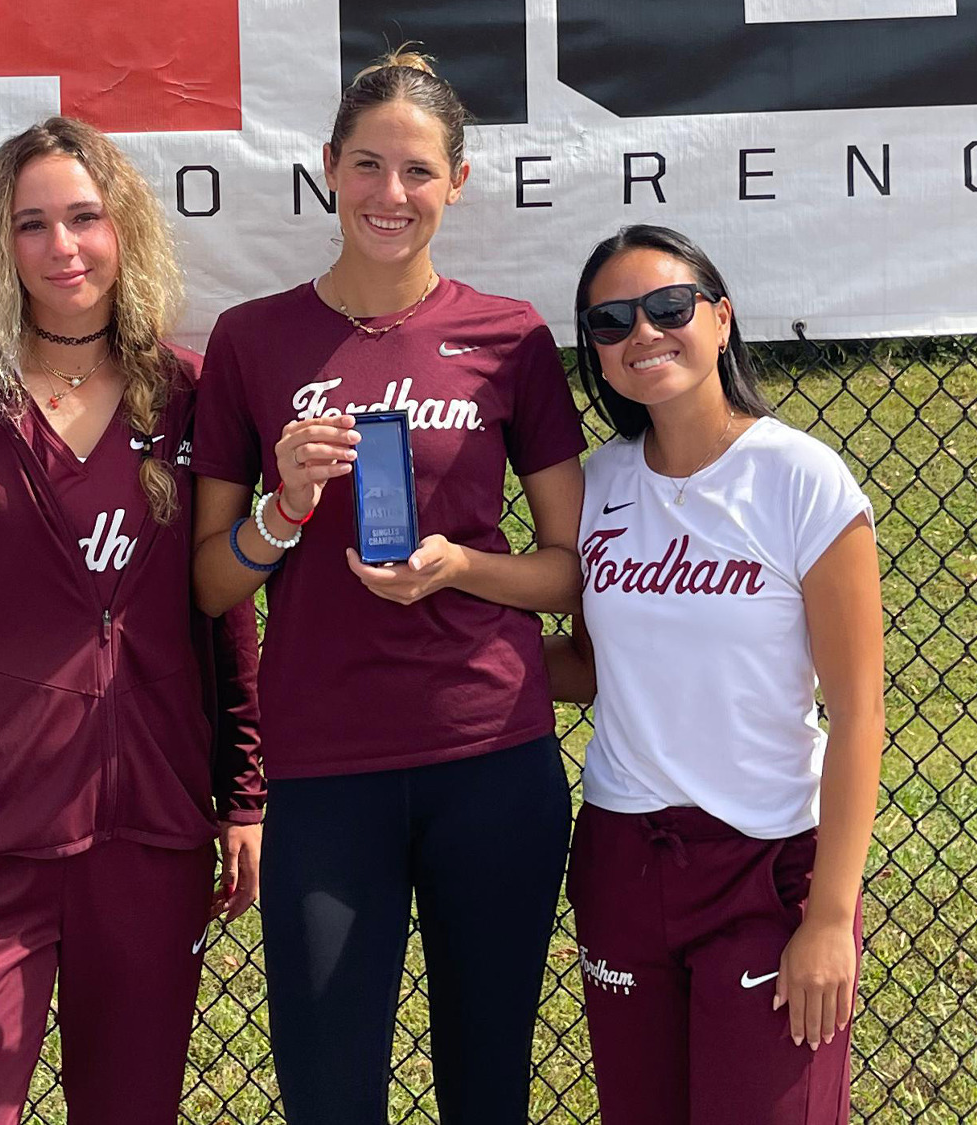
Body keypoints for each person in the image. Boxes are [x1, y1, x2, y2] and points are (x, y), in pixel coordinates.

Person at [0, 116, 264, 1125]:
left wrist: (242, 792)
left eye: (84, 217)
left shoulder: (187, 395)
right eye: (33, 225)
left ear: (125, 231)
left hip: (146, 835)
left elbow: (222, 612)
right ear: (0, 242)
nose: (63, 247)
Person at [187, 50, 587, 1125]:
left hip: (490, 759)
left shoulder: (509, 341)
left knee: (486, 1083)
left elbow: (564, 568)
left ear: (456, 182)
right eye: (367, 166)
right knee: (326, 1092)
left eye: (416, 172)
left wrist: (458, 567)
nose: (389, 195)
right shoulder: (251, 341)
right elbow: (212, 580)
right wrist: (283, 510)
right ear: (326, 169)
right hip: (325, 772)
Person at [547, 224, 885, 1125]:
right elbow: (587, 664)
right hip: (626, 855)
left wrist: (828, 916)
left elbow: (858, 715)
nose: (644, 333)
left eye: (668, 307)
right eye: (612, 322)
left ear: (722, 318)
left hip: (767, 863)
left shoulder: (801, 480)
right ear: (599, 358)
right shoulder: (601, 483)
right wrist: (449, 641)